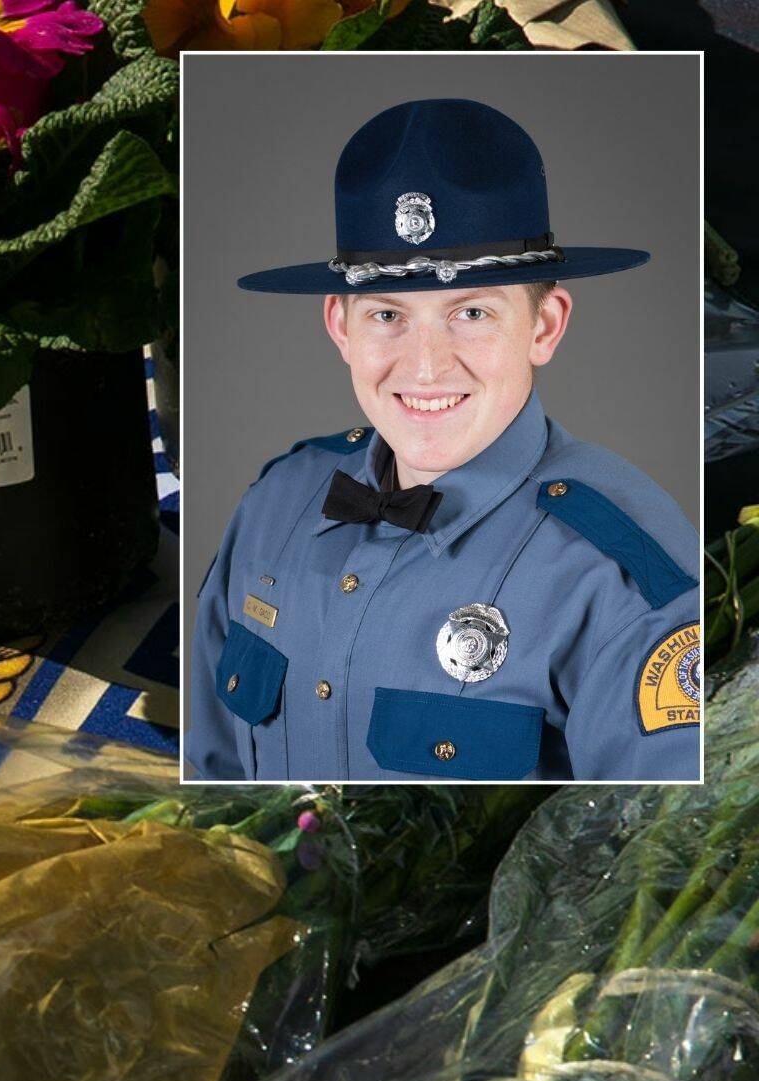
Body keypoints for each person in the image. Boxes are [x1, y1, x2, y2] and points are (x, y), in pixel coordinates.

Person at [187, 98, 700, 782]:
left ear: (544, 326)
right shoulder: (276, 502)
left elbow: (649, 866)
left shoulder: (620, 575)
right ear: (340, 325)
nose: (425, 367)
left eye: (473, 313)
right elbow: (208, 779)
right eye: (388, 315)